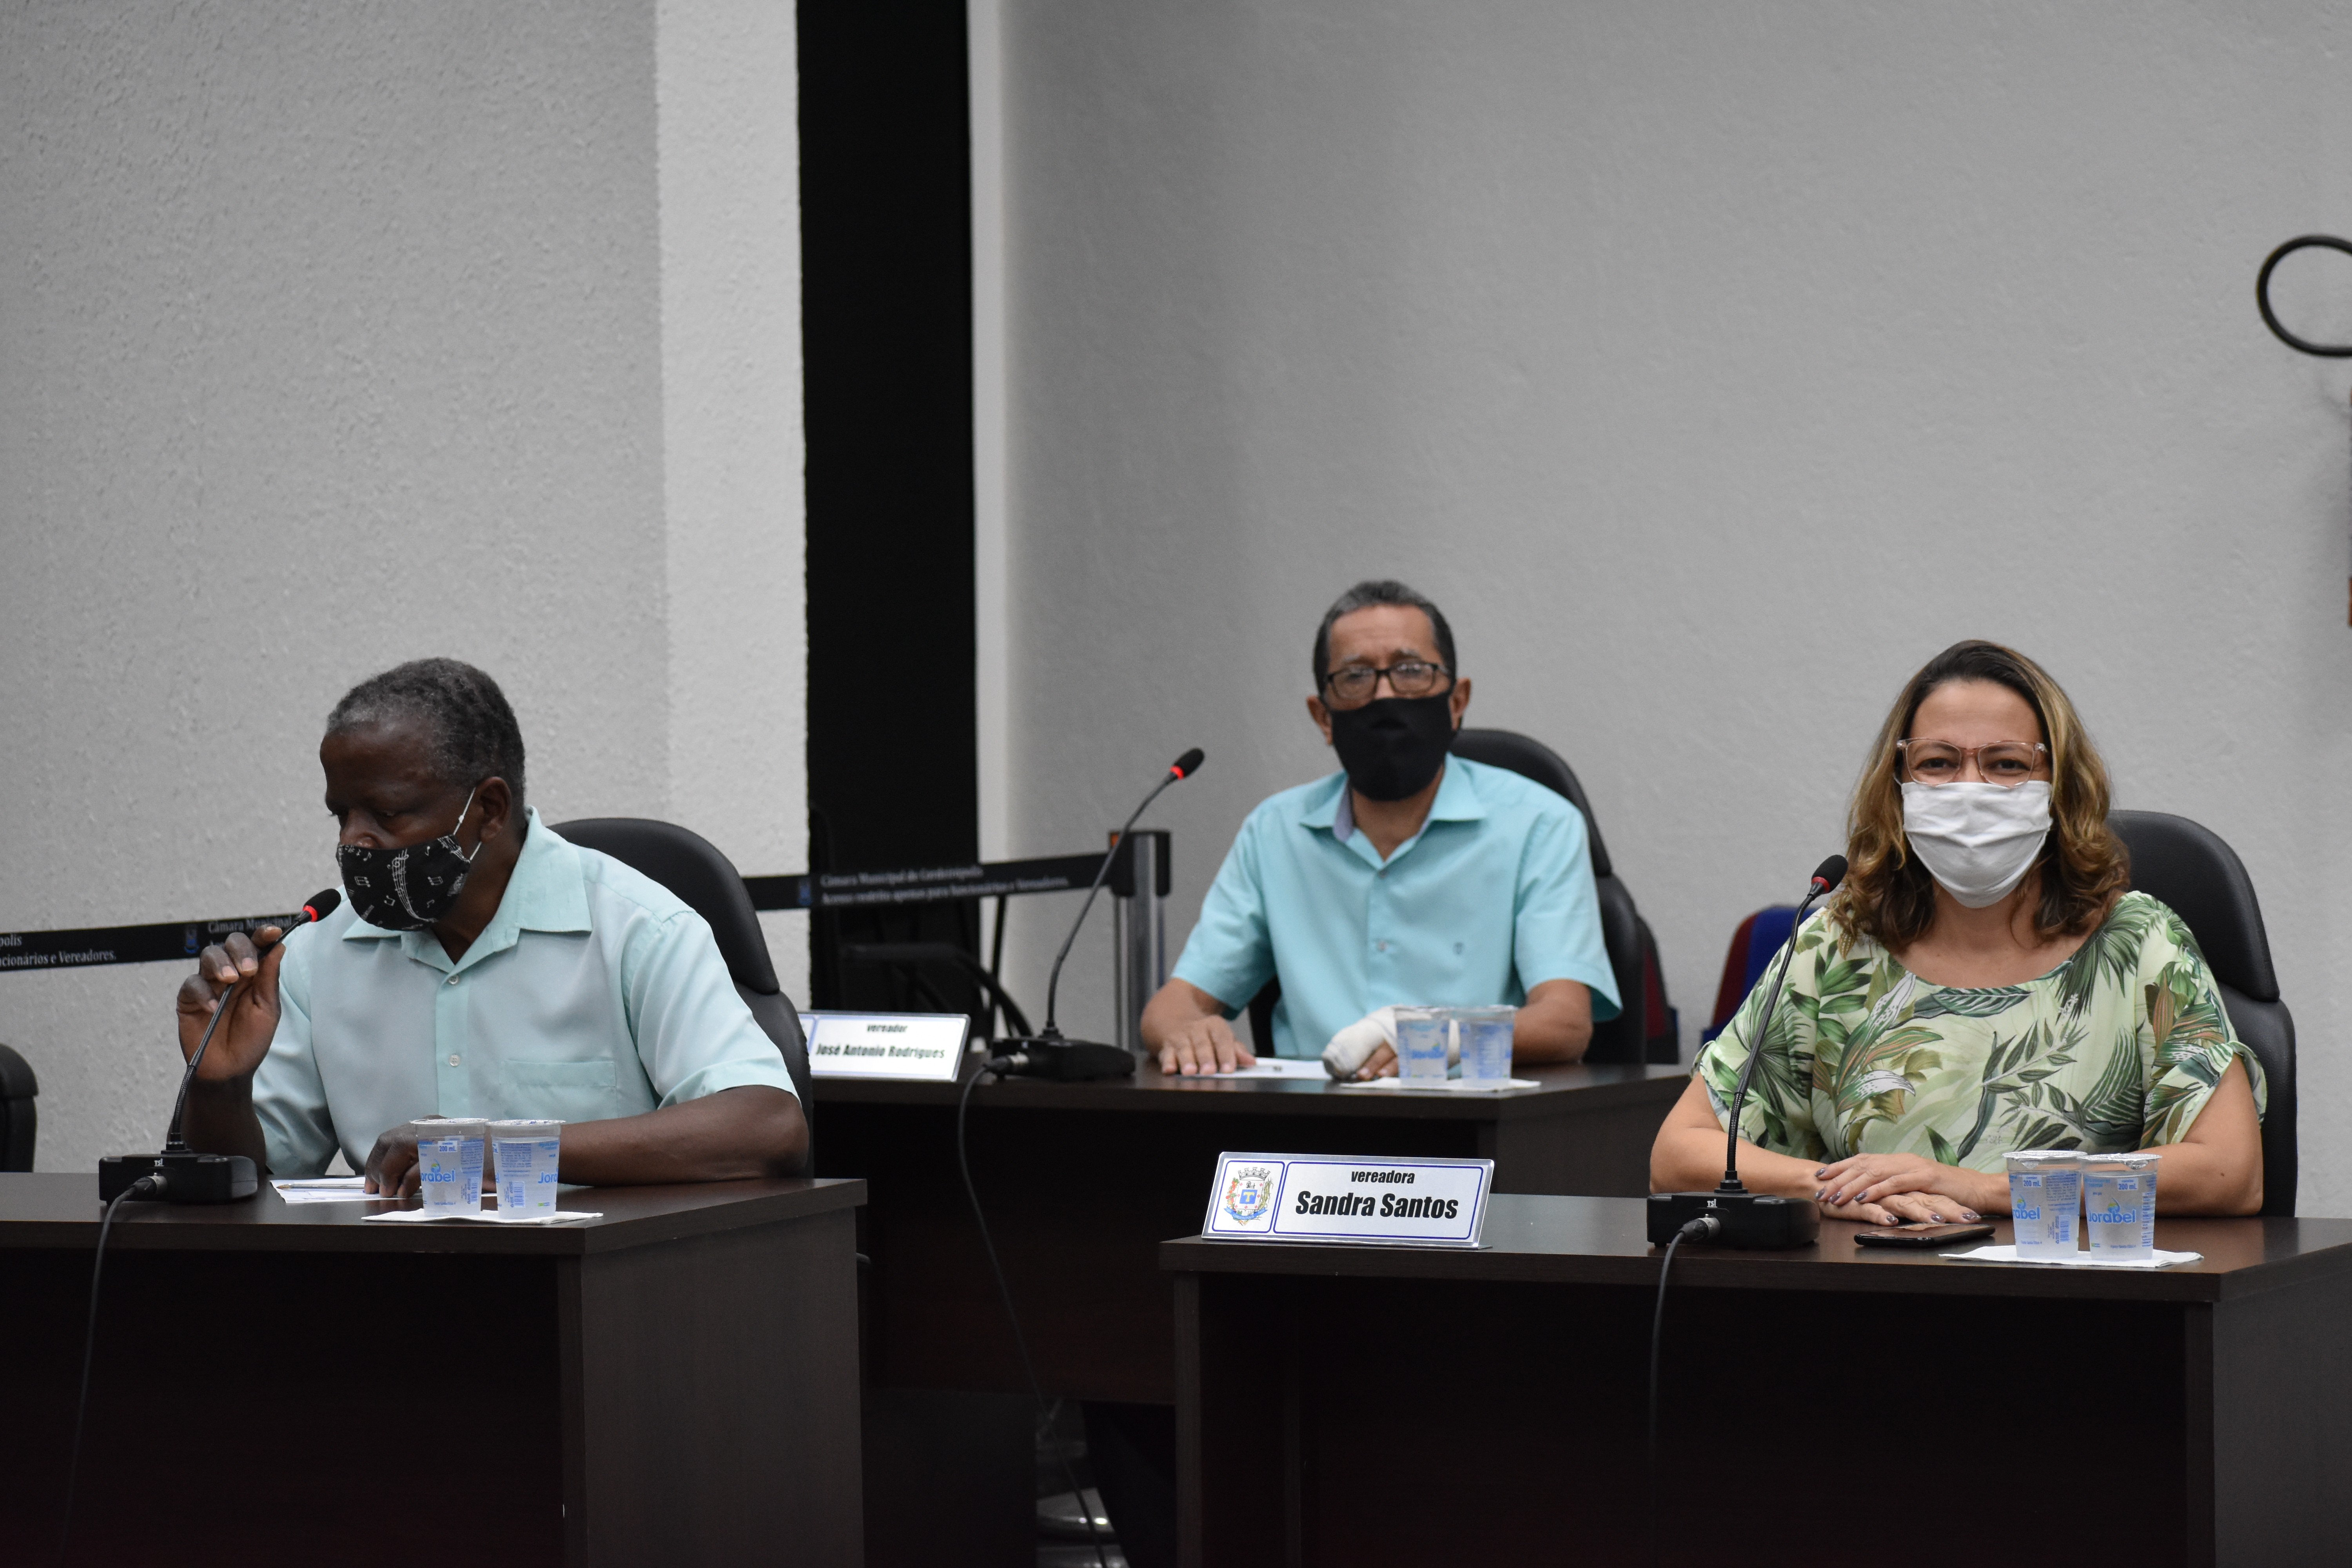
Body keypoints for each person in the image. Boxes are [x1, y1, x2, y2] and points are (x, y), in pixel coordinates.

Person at [1651, 639, 2264, 1221]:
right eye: (1938, 764)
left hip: (2071, 1282)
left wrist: (1986, 1190)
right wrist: (1832, 1188)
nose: (1970, 789)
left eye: (2006, 765)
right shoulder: (1837, 944)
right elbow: (1677, 1154)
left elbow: (2231, 1173)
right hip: (1872, 1278)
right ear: (1899, 785)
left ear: (2060, 787)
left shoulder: (2139, 943)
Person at [174, 658, 807, 1192]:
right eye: (342, 815)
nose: (353, 841)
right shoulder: (318, 952)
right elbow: (249, 1182)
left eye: (387, 815)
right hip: (391, 1278)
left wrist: (502, 1150)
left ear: (490, 809)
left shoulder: (639, 929)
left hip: (599, 1279)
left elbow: (768, 1127)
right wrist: (219, 1085)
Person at [1140, 578, 1621, 1078]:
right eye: (1356, 677)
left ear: (1457, 701)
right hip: (1314, 1116)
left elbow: (1566, 1024)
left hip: (1470, 1112)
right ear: (1323, 718)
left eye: (1411, 671)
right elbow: (1171, 1007)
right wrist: (1188, 1030)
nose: (1385, 694)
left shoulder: (1539, 824)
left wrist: (1442, 1038)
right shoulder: (1274, 833)